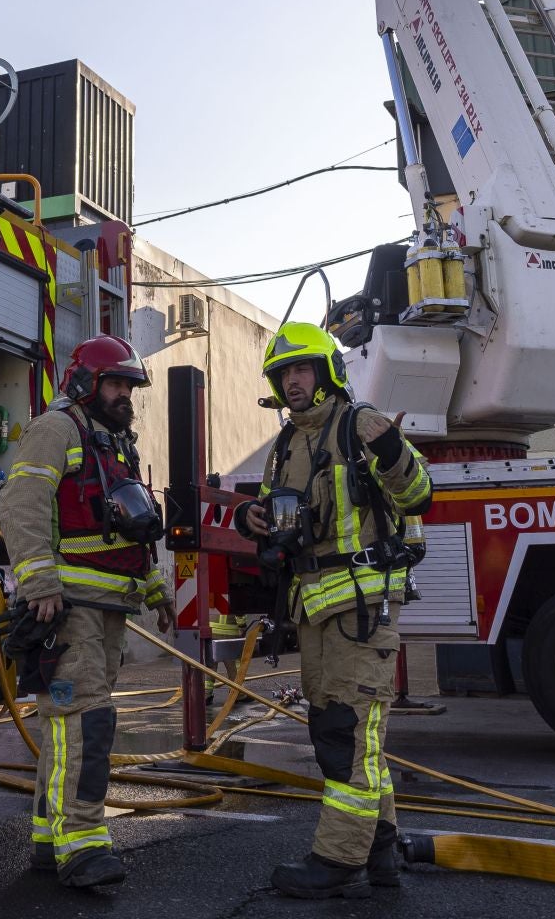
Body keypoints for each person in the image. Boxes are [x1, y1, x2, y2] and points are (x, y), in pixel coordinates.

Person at [237, 321, 433, 899]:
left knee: (348, 733)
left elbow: (419, 494)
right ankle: (381, 851)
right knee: (342, 732)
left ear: (325, 372)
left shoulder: (359, 425)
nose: (291, 382)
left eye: (300, 369)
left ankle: (337, 858)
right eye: (283, 373)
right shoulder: (286, 445)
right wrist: (258, 522)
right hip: (315, 610)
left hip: (362, 607)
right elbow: (288, 522)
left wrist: (392, 451)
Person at [0, 334, 175, 889]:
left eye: (129, 385)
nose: (126, 394)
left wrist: (154, 585)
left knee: (67, 726)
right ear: (85, 383)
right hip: (68, 609)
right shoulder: (57, 430)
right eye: (116, 383)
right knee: (84, 721)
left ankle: (52, 840)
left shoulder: (118, 444)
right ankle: (84, 844)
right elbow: (21, 505)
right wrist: (40, 581)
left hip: (107, 609)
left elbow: (131, 524)